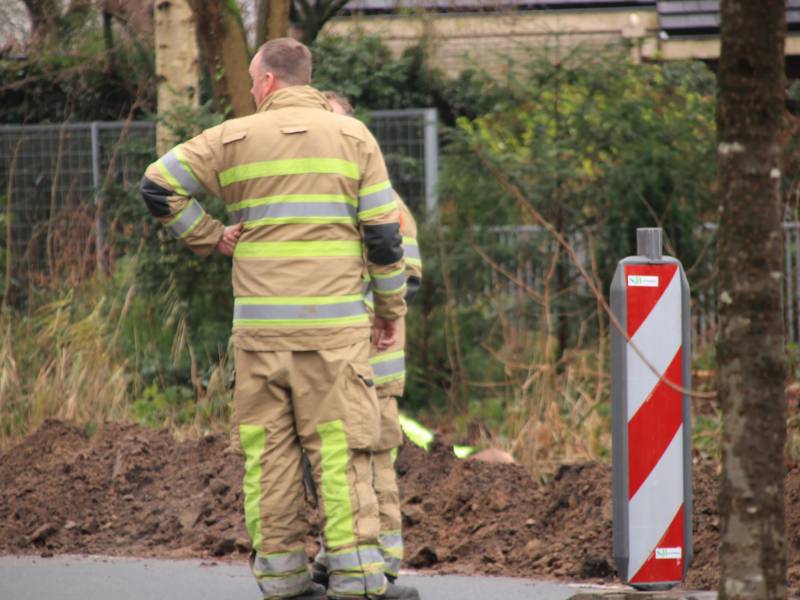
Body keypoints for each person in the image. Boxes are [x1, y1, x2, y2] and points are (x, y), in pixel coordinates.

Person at [139, 38, 420, 600]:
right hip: (333, 335)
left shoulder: (233, 138)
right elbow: (385, 238)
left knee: (269, 458)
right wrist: (389, 310)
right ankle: (359, 580)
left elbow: (156, 185)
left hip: (259, 337)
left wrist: (210, 235)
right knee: (341, 453)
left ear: (267, 81)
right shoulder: (353, 137)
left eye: (251, 77)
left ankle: (284, 581)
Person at [313, 91, 423, 584]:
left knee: (373, 457)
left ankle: (381, 557)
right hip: (331, 358)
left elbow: (408, 278)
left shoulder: (385, 204)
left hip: (370, 363)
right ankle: (341, 552)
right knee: (335, 460)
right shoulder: (325, 197)